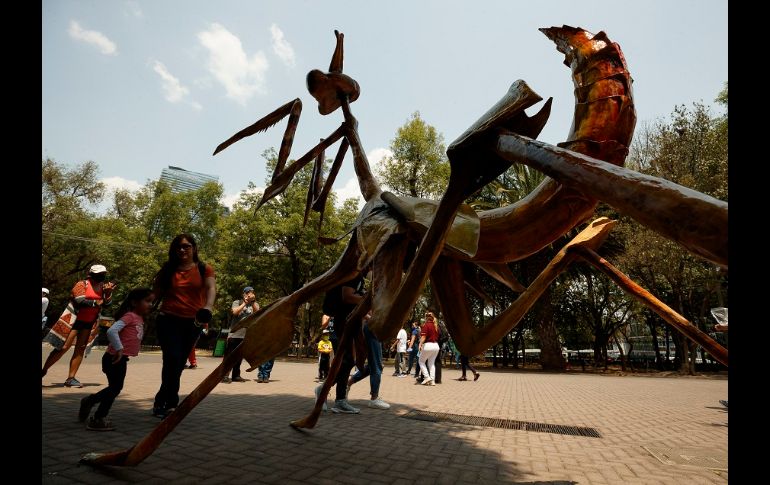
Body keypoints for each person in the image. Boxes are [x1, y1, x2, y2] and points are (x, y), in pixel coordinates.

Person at [151, 234, 216, 418]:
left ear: (194, 248)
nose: (182, 249)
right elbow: (155, 293)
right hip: (168, 320)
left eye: (186, 246)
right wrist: (137, 308)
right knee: (172, 359)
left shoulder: (204, 268)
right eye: (178, 247)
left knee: (178, 363)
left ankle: (161, 400)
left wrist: (208, 306)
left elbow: (211, 288)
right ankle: (171, 403)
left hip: (193, 323)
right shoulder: (168, 269)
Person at [78, 288, 154, 431]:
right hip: (114, 358)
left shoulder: (139, 318)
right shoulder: (130, 316)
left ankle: (91, 403)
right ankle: (97, 416)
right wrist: (119, 348)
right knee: (115, 388)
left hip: (120, 359)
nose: (150, 304)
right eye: (147, 301)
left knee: (114, 388)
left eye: (152, 302)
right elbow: (111, 331)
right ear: (134, 302)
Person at [41, 265, 116, 387]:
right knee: (64, 347)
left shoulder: (103, 287)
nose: (101, 276)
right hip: (74, 320)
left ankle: (71, 378)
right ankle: (44, 370)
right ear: (91, 274)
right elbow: (80, 300)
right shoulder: (82, 284)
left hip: (89, 322)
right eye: (99, 274)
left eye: (103, 274)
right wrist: (97, 302)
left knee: (80, 348)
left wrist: (108, 294)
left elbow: (107, 304)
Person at [315, 273, 366, 414]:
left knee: (348, 361)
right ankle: (324, 390)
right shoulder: (353, 274)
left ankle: (339, 400)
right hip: (344, 321)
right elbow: (347, 296)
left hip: (351, 321)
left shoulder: (359, 277)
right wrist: (368, 299)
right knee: (346, 360)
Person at [347, 313, 390, 409]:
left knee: (373, 366)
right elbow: (363, 308)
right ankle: (374, 398)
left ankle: (348, 384)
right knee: (377, 366)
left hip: (374, 326)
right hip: (372, 326)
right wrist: (371, 320)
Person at [223, 286, 259, 383]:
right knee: (229, 356)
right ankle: (224, 375)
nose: (250, 294)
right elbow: (235, 312)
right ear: (244, 294)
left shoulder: (255, 304)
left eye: (252, 293)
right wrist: (244, 303)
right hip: (234, 334)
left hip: (246, 335)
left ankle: (236, 376)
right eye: (248, 293)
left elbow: (258, 313)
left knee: (239, 357)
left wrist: (253, 302)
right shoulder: (237, 302)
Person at [417, 311, 441, 386]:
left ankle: (427, 377)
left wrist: (420, 344)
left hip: (428, 345)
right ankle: (432, 380)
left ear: (426, 318)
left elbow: (423, 337)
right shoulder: (436, 325)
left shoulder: (426, 325)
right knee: (431, 363)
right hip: (436, 346)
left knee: (421, 361)